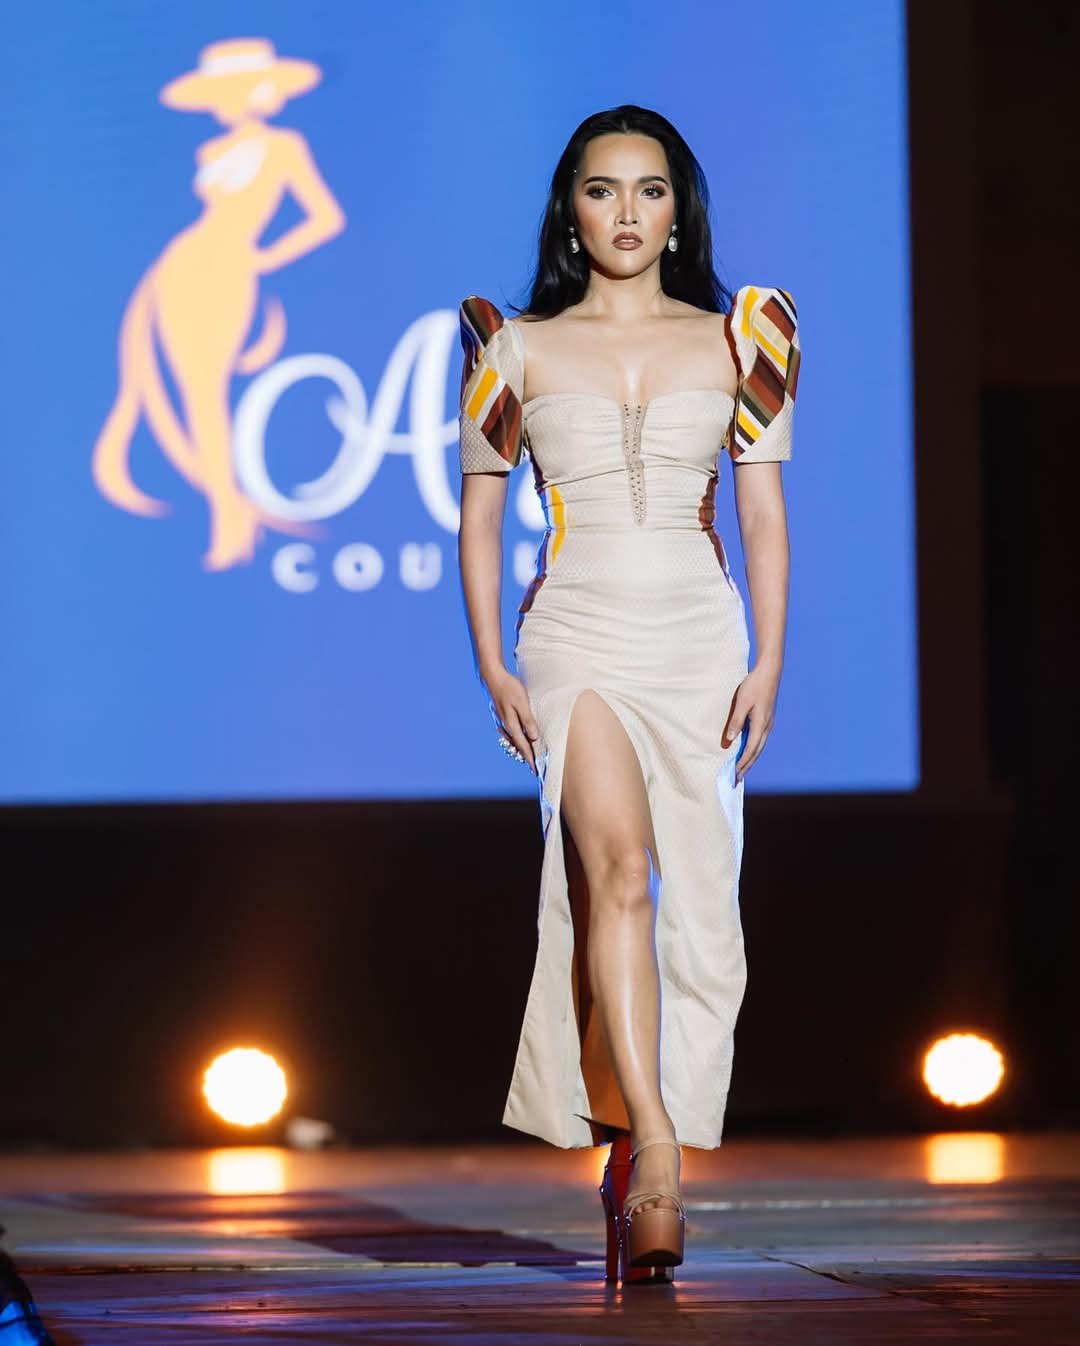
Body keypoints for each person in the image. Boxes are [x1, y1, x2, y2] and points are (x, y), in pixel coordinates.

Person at [456, 104, 800, 1286]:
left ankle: (631, 1138)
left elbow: (762, 511)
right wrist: (493, 662)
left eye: (650, 191)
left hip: (700, 634)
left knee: (696, 898)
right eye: (602, 190)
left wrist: (768, 658)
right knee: (618, 871)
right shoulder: (510, 345)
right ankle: (654, 1147)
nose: (627, 213)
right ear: (570, 210)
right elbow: (482, 517)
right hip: (576, 634)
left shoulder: (749, 334)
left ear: (678, 210)